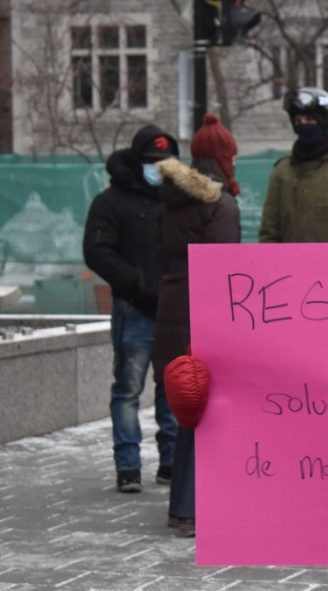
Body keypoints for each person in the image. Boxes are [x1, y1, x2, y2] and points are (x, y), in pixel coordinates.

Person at [152, 113, 241, 537]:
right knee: (204, 410)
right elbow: (226, 269)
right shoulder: (218, 205)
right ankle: (189, 507)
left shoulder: (170, 200)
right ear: (224, 157)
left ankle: (183, 505)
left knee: (186, 407)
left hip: (172, 311)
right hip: (204, 318)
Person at [83, 125, 180, 493]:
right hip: (134, 309)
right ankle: (128, 465)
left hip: (172, 311)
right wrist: (136, 283)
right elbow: (97, 251)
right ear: (138, 162)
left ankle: (170, 462)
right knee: (128, 389)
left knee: (171, 390)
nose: (158, 168)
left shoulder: (178, 199)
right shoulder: (111, 201)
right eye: (152, 162)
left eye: (165, 162)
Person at [259, 87, 328, 243]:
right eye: (298, 121)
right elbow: (269, 228)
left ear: (323, 122)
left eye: (309, 120)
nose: (303, 125)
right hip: (289, 265)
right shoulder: (283, 170)